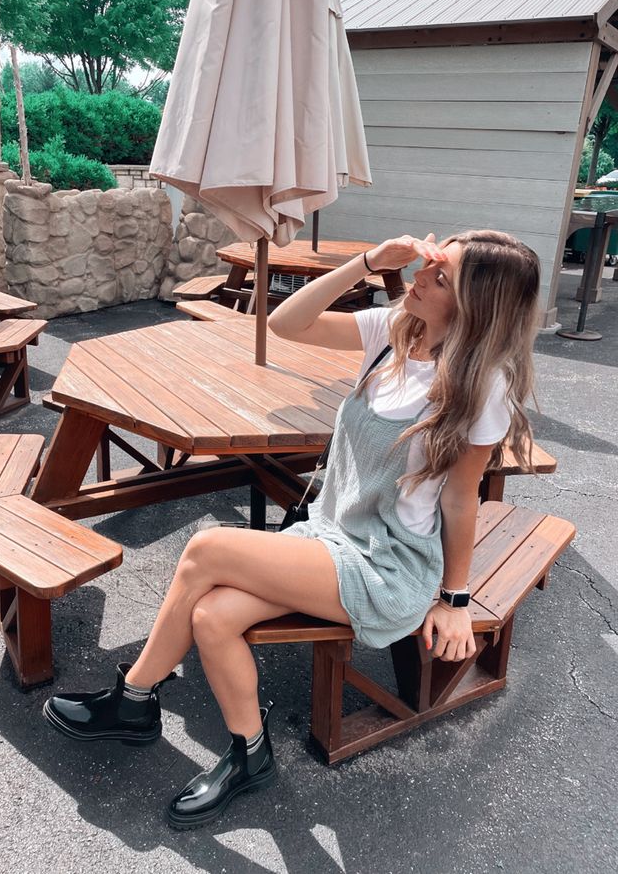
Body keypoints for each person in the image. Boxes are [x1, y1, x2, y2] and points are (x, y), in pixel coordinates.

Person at [43, 229, 541, 830]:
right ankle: (249, 755)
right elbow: (284, 323)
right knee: (212, 616)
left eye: (441, 277)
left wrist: (455, 600)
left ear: (475, 307)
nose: (420, 276)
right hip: (328, 537)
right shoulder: (392, 334)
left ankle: (134, 699)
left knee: (204, 549)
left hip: (389, 564)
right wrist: (366, 261)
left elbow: (462, 500)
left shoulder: (480, 387)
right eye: (431, 266)